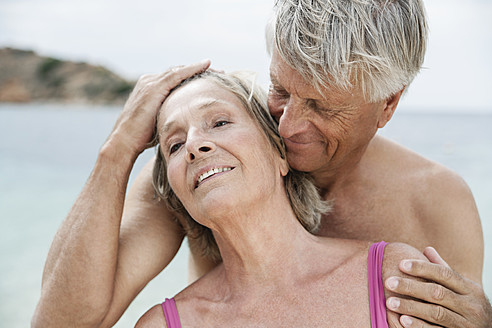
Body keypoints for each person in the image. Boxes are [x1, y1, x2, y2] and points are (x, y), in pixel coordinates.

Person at [32, 0, 491, 327]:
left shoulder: (434, 202)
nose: (288, 126)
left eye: (322, 107)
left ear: (386, 106)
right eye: (281, 91)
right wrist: (116, 151)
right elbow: (62, 321)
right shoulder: (206, 169)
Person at [136, 70, 427, 327]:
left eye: (220, 122)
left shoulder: (393, 277)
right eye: (175, 145)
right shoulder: (162, 324)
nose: (194, 145)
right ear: (176, 193)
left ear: (279, 152)